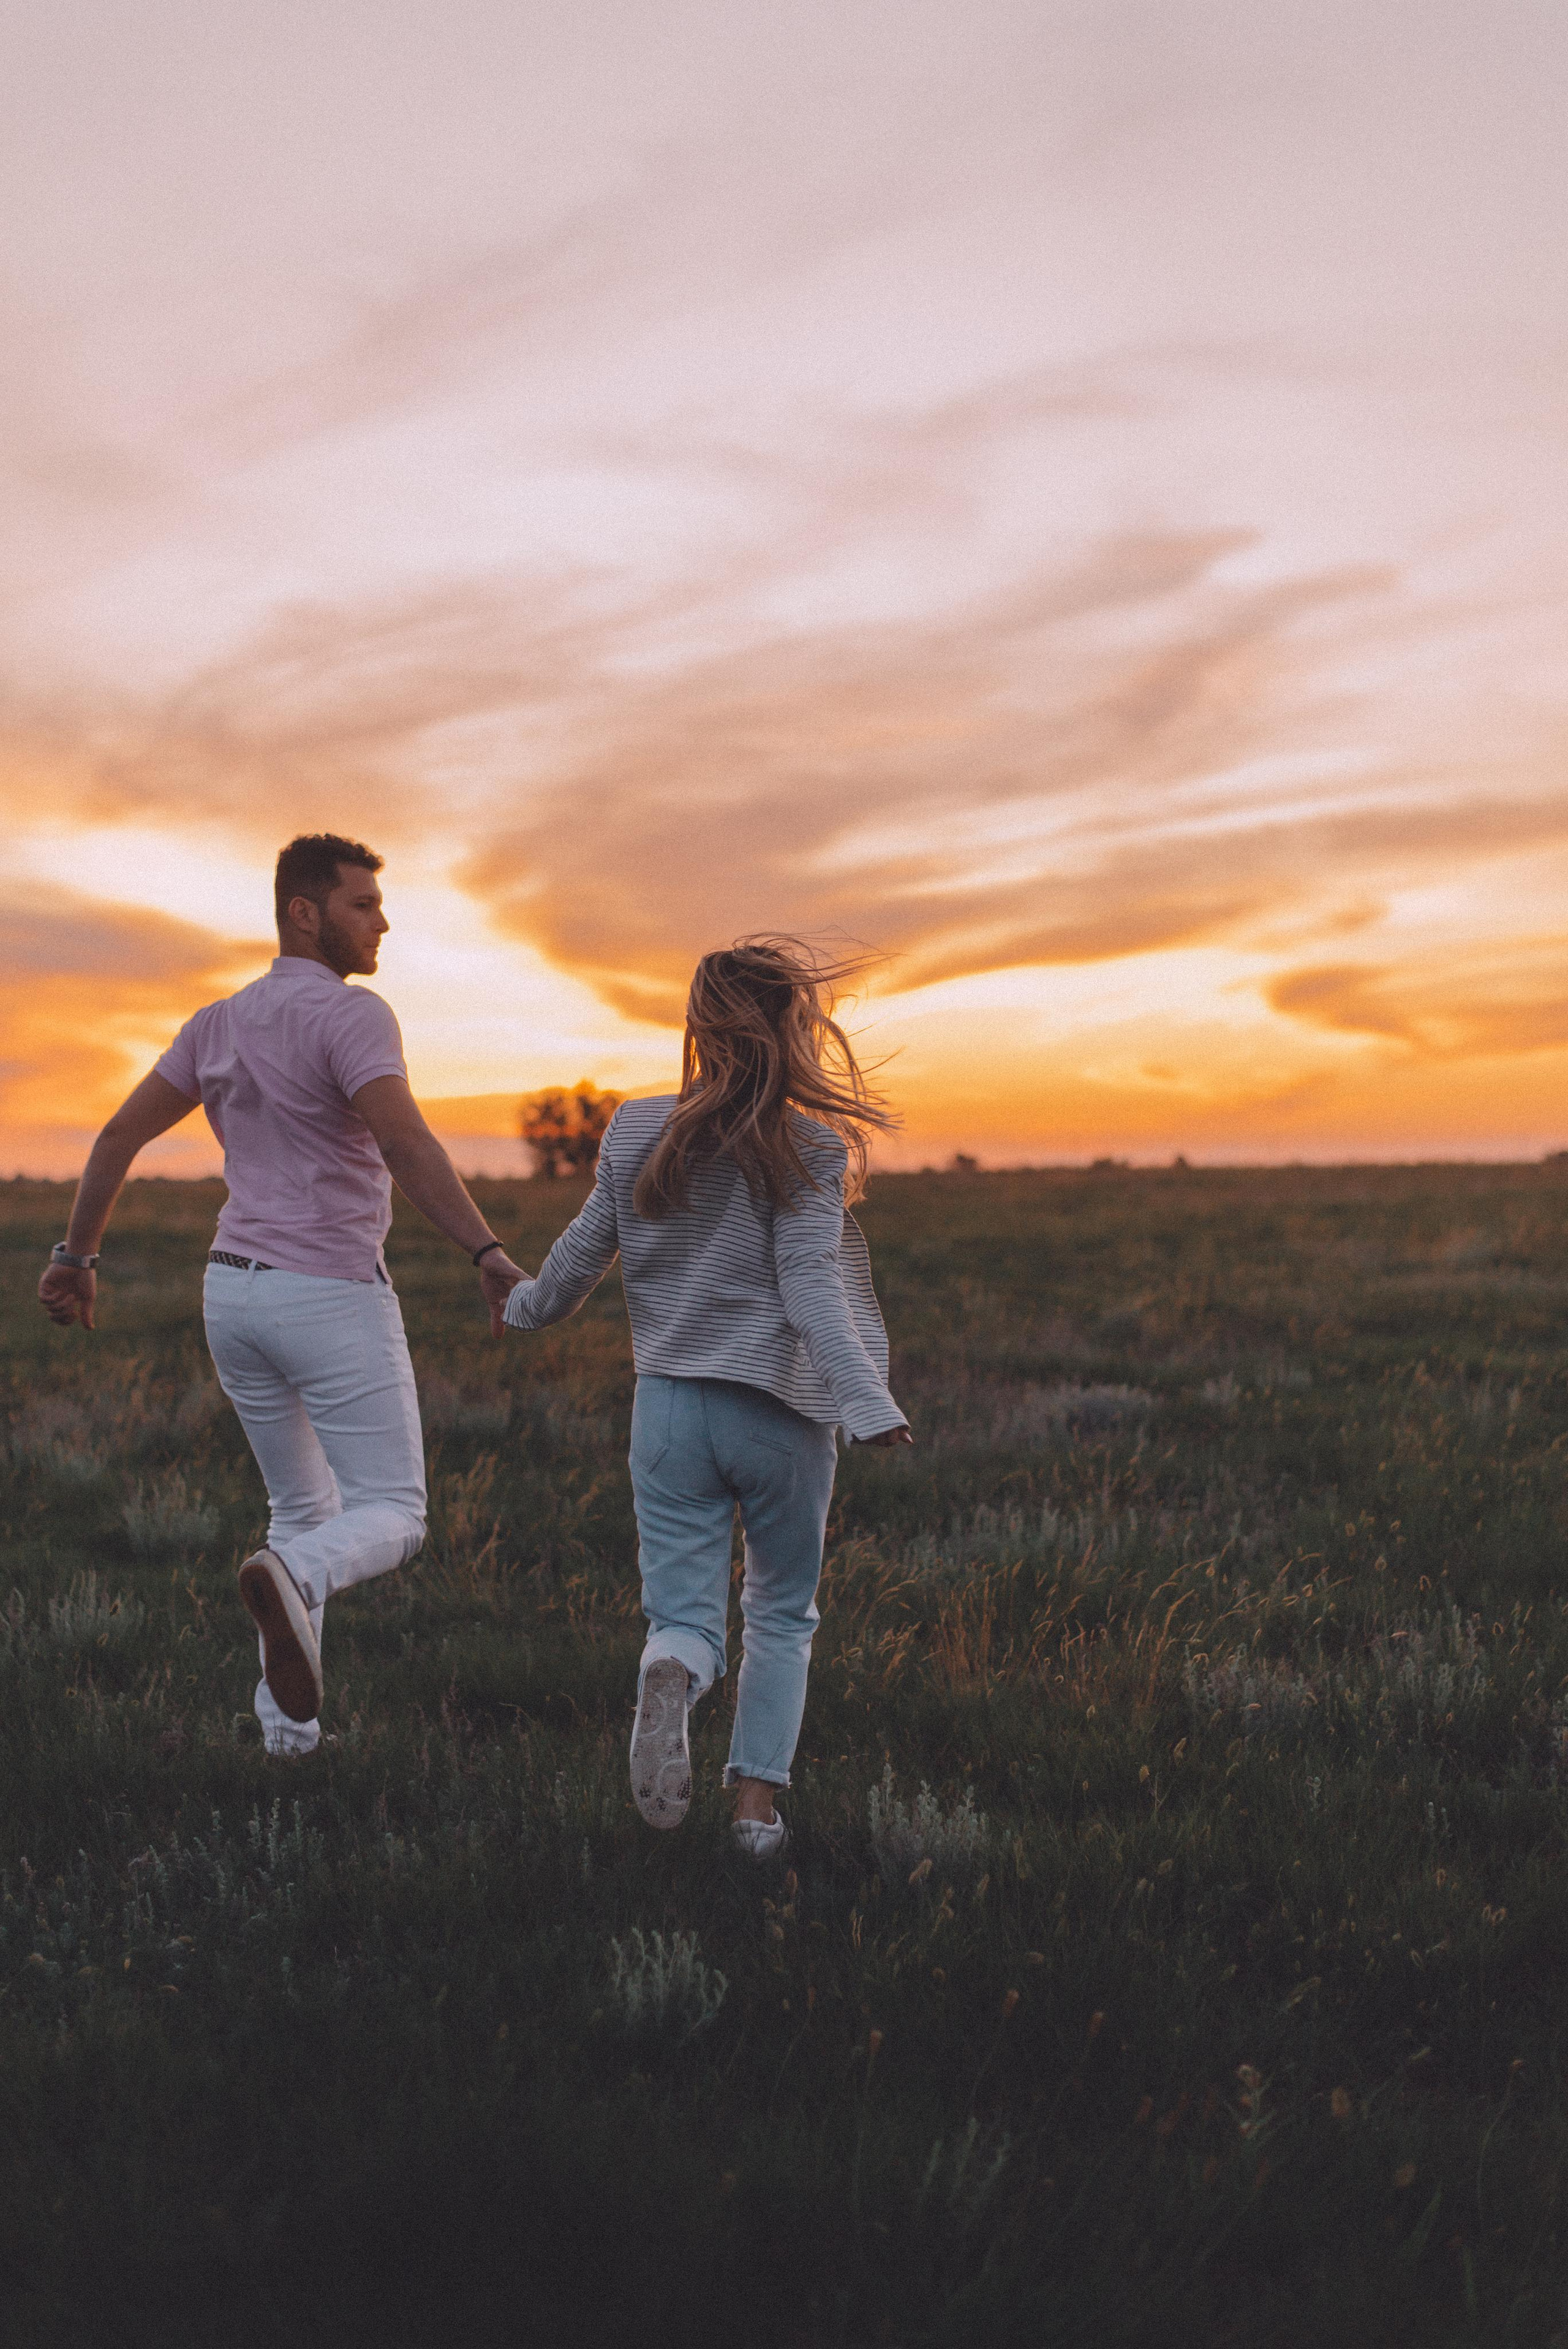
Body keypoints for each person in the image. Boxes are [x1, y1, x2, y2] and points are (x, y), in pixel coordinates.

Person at [37, 833, 525, 1754]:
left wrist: (78, 1257)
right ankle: (292, 1574)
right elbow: (407, 1144)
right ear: (305, 913)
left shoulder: (215, 1023)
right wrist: (486, 1250)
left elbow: (113, 1137)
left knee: (304, 1507)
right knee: (396, 1513)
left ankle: (287, 1741)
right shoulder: (354, 1016)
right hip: (329, 1295)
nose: (382, 921)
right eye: (362, 904)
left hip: (232, 1297)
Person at [494, 937, 911, 1859]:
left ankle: (674, 1671)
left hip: (669, 1406)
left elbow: (578, 1255)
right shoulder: (808, 1143)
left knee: (681, 1614)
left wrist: (522, 1305)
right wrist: (867, 1400)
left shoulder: (636, 1126)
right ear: (793, 1031)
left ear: (696, 1026)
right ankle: (756, 1815)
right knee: (779, 1614)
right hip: (777, 1411)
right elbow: (811, 1288)